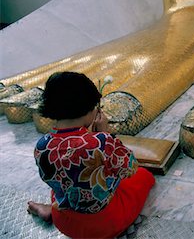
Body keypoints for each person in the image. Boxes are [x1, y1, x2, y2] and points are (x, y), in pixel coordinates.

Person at [27, 71, 155, 238]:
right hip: (104, 225)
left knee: (67, 180)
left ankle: (50, 210)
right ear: (88, 107)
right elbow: (129, 167)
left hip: (65, 223)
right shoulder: (100, 141)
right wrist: (106, 134)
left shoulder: (41, 145)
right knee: (143, 176)